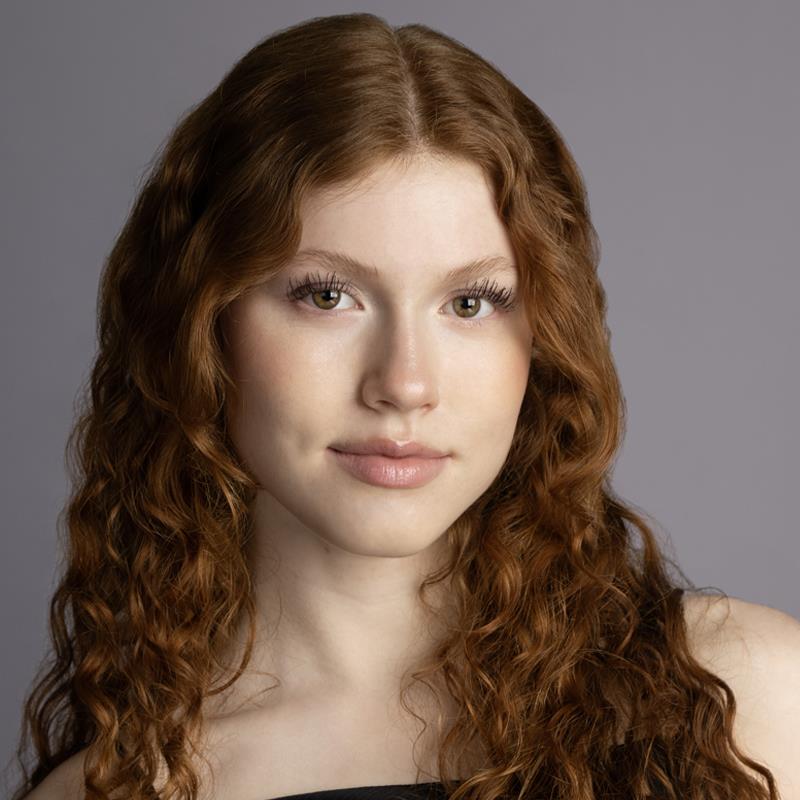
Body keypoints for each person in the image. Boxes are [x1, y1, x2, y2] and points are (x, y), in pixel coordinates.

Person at [9, 12, 799, 800]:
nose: (405, 382)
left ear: (545, 337)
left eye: (471, 303)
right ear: (201, 325)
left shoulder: (749, 700)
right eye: (327, 296)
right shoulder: (112, 791)